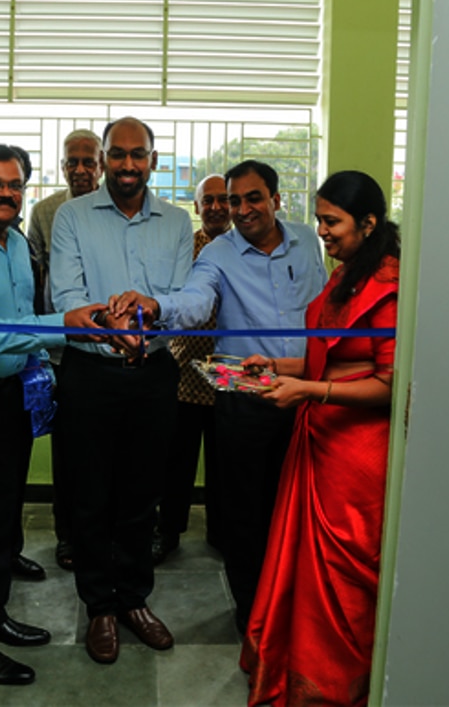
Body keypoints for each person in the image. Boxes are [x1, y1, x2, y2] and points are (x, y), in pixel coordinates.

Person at [110, 160, 327, 633]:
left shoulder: (309, 241)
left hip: (309, 396)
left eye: (253, 198)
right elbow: (194, 302)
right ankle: (254, 617)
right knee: (245, 520)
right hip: (247, 401)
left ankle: (299, 609)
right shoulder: (217, 255)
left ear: (276, 200)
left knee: (302, 513)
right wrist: (156, 306)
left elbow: (324, 305)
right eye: (234, 200)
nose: (242, 209)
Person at [0, 144, 104, 686]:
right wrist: (64, 325)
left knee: (0, 518)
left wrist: (39, 366)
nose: (6, 193)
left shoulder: (13, 243)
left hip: (9, 394)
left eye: (15, 185)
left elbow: (19, 318)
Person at [239, 170, 400, 707]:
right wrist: (276, 365)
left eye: (332, 222)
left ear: (369, 222)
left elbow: (388, 383)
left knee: (345, 580)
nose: (322, 232)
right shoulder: (347, 274)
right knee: (305, 575)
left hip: (358, 459)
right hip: (319, 446)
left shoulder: (390, 285)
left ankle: (334, 689)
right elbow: (326, 354)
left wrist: (309, 389)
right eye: (320, 220)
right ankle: (296, 667)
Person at [49, 116, 193, 665]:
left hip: (153, 375)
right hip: (89, 374)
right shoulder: (71, 217)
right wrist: (114, 336)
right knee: (89, 497)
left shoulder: (177, 222)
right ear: (104, 158)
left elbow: (178, 298)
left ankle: (134, 600)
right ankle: (100, 609)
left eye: (139, 155)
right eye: (118, 155)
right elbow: (66, 292)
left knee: (140, 496)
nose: (127, 165)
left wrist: (143, 333)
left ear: (153, 160)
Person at [26, 129, 104, 572]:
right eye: (71, 162)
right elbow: (38, 280)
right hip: (62, 348)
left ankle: (106, 533)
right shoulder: (45, 211)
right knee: (69, 452)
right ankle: (67, 535)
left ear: (101, 165)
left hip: (110, 349)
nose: (79, 170)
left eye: (87, 161)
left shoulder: (113, 210)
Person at [153, 173, 231, 564]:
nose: (216, 207)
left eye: (223, 199)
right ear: (197, 207)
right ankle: (167, 532)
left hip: (229, 374)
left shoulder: (242, 247)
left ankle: (221, 533)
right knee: (175, 462)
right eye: (208, 200)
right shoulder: (186, 248)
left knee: (224, 464)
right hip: (184, 370)